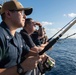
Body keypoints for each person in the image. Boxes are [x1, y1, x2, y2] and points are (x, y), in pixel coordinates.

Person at [0, 1, 44, 75]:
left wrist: (39, 55)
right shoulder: (1, 35)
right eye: (22, 13)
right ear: (8, 14)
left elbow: (27, 52)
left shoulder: (18, 36)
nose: (25, 17)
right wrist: (21, 68)